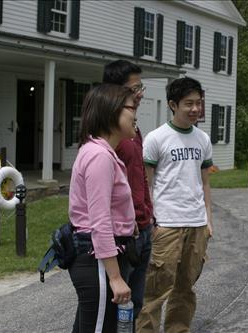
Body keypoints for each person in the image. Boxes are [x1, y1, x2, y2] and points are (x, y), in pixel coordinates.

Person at [136, 77, 213, 333]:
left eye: (198, 103)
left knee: (185, 289)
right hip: (166, 225)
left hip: (196, 224)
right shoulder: (156, 138)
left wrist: (208, 222)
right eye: (188, 104)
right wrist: (151, 223)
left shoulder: (202, 139)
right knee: (155, 291)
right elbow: (146, 187)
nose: (195, 109)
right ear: (173, 104)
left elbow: (205, 185)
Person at [68, 83, 138, 332]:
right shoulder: (99, 156)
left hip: (100, 256)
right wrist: (116, 278)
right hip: (96, 259)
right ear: (111, 111)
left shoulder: (100, 151)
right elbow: (99, 221)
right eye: (131, 107)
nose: (135, 113)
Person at [103, 60, 153, 323]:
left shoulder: (133, 128)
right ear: (115, 91)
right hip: (123, 234)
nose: (141, 93)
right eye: (135, 89)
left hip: (143, 229)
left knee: (133, 305)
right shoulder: (107, 134)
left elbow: (140, 176)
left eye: (140, 87)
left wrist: (149, 214)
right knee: (114, 309)